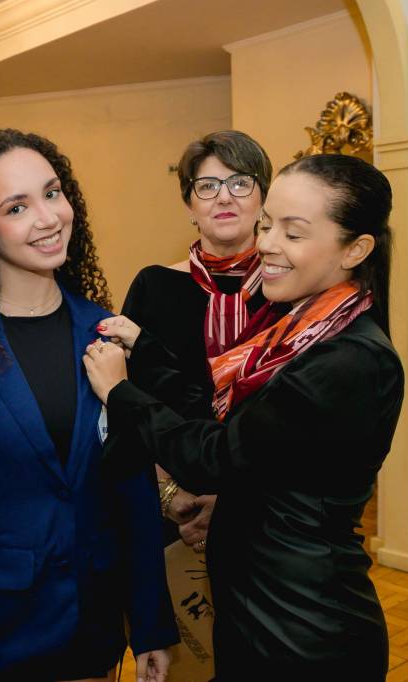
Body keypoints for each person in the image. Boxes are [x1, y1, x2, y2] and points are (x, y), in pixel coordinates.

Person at [85, 154, 404, 678]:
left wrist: (121, 393)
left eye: (293, 233)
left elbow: (215, 456)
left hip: (301, 626)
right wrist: (147, 353)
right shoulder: (298, 332)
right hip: (261, 610)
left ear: (356, 249)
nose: (269, 244)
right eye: (268, 225)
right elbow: (228, 423)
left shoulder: (349, 359)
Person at [0, 129, 178, 682]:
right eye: (16, 207)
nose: (48, 218)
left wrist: (150, 623)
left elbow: (132, 489)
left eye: (52, 193)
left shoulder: (104, 332)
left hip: (95, 632)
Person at [121, 131, 277, 551]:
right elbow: (124, 396)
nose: (224, 197)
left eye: (240, 182)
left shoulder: (290, 293)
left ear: (263, 197)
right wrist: (170, 494)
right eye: (207, 186)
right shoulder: (154, 286)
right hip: (169, 502)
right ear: (190, 204)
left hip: (268, 508)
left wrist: (234, 500)